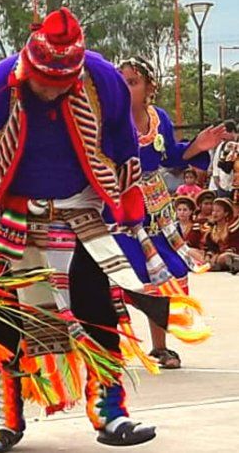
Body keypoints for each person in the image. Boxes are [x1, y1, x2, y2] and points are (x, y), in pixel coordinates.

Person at [0, 9, 201, 451]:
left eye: (63, 83)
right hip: (6, 214)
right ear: (27, 68)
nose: (54, 89)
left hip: (79, 214)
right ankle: (5, 420)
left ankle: (111, 415)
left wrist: (126, 206)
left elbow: (121, 146)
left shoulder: (102, 79)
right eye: (45, 82)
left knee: (100, 314)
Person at [109, 56, 227, 368]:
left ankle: (159, 347)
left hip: (156, 208)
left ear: (150, 86)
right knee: (118, 271)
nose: (125, 87)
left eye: (132, 81)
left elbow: (172, 156)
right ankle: (108, 346)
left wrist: (199, 146)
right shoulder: (109, 120)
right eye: (120, 81)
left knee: (165, 269)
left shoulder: (158, 117)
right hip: (120, 205)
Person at [202, 198, 239, 272]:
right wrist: (208, 256)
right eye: (213, 211)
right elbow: (211, 248)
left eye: (218, 211)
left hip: (232, 254)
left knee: (224, 257)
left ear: (226, 213)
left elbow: (235, 247)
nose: (214, 214)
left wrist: (218, 256)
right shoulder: (211, 229)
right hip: (217, 256)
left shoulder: (232, 228)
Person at [209, 121, 236, 198]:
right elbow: (216, 165)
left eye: (225, 133)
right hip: (223, 185)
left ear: (232, 131)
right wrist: (217, 181)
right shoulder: (222, 145)